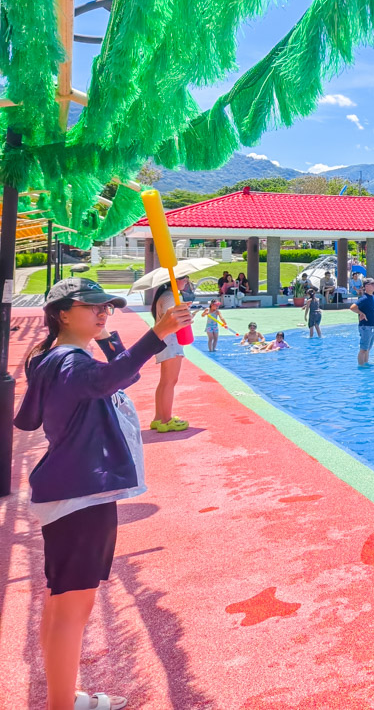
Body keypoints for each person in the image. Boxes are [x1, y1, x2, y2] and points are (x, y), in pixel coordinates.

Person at [15, 277, 192, 710]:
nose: (102, 312)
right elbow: (104, 381)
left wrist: (111, 340)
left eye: (107, 307)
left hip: (68, 493)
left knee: (62, 604)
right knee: (72, 608)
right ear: (61, 313)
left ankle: (63, 695)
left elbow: (115, 381)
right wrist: (158, 334)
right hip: (82, 494)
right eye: (91, 306)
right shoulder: (70, 363)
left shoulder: (54, 360)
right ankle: (62, 704)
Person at [150, 276, 192, 433]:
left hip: (164, 340)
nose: (186, 282)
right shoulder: (170, 297)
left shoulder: (166, 296)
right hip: (171, 341)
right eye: (184, 279)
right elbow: (174, 322)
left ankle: (159, 417)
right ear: (174, 281)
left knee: (164, 381)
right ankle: (166, 420)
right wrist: (187, 315)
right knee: (170, 381)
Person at [352, 278, 374, 366]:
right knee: (363, 349)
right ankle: (361, 366)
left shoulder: (372, 296)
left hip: (372, 326)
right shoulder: (364, 298)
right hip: (366, 326)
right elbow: (352, 307)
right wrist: (361, 313)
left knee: (367, 349)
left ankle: (366, 364)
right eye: (372, 284)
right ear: (366, 286)